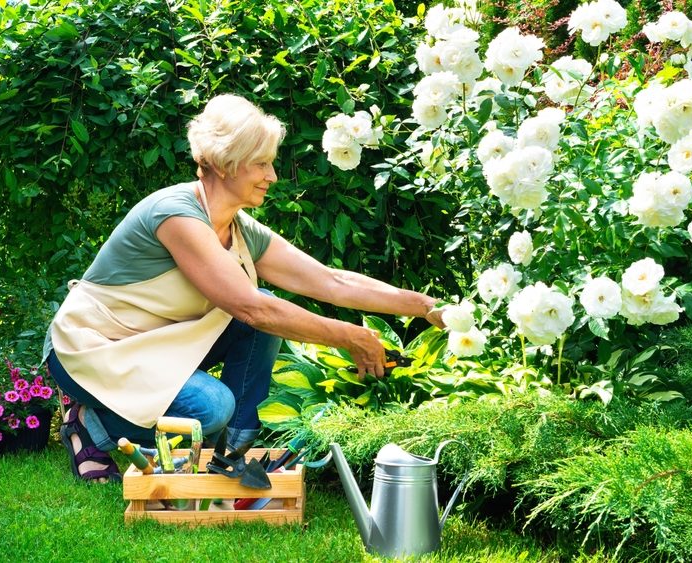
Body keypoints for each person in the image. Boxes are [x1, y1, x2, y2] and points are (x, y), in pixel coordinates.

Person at [44, 94, 444, 483]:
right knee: (210, 407)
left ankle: (231, 455)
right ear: (224, 164)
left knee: (264, 315)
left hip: (158, 348)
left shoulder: (237, 227)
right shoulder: (175, 215)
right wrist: (349, 337)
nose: (271, 176)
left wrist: (426, 306)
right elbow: (251, 308)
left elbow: (330, 280)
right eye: (261, 164)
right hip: (95, 349)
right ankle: (90, 423)